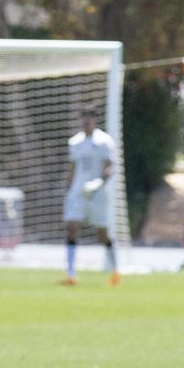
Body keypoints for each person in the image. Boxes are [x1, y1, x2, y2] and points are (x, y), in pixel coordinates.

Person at [61, 106, 119, 286]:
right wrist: (68, 189)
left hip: (98, 194)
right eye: (84, 117)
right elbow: (72, 169)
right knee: (71, 227)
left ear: (95, 120)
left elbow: (109, 167)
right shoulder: (75, 142)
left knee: (103, 234)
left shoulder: (104, 141)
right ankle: (71, 273)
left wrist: (98, 183)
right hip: (78, 193)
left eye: (90, 117)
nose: (87, 121)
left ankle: (115, 270)